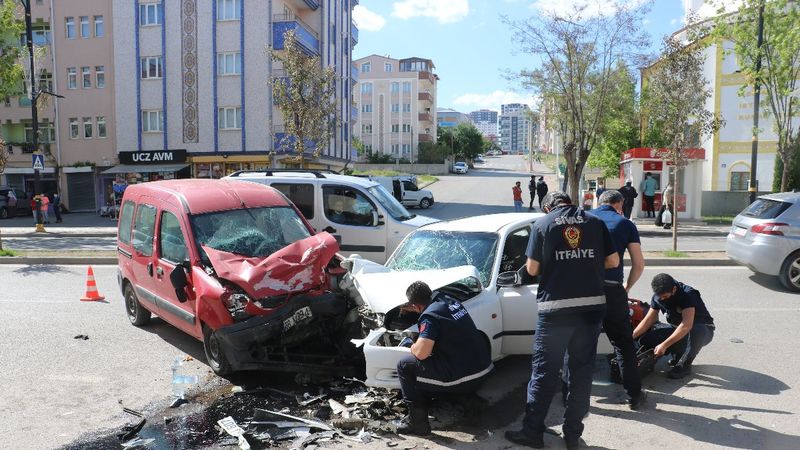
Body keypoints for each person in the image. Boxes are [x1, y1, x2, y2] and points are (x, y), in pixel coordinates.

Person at [505, 191, 618, 449]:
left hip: (556, 312)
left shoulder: (543, 225)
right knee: (581, 373)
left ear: (548, 208)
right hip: (591, 309)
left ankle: (532, 433)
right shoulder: (594, 222)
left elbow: (532, 269)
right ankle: (572, 435)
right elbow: (612, 260)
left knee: (544, 374)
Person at [395, 281, 493, 435]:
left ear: (416, 306)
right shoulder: (449, 300)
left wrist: (411, 344)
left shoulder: (429, 316)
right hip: (483, 368)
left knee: (405, 365)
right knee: (438, 362)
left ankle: (417, 423)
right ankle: (471, 403)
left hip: (465, 376)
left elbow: (421, 353)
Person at [593, 190, 647, 409]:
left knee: (579, 342)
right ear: (619, 204)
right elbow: (639, 264)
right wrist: (626, 287)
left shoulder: (583, 220)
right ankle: (633, 395)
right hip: (613, 290)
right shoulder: (625, 224)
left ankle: (570, 393)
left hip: (585, 290)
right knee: (624, 344)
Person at [633, 274, 715, 380]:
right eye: (660, 296)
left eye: (666, 296)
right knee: (648, 337)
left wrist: (664, 345)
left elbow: (686, 325)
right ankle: (679, 354)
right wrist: (631, 337)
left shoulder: (687, 294)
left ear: (674, 289)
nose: (662, 299)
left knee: (697, 330)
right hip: (678, 329)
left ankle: (684, 365)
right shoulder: (657, 297)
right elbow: (649, 320)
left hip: (702, 332)